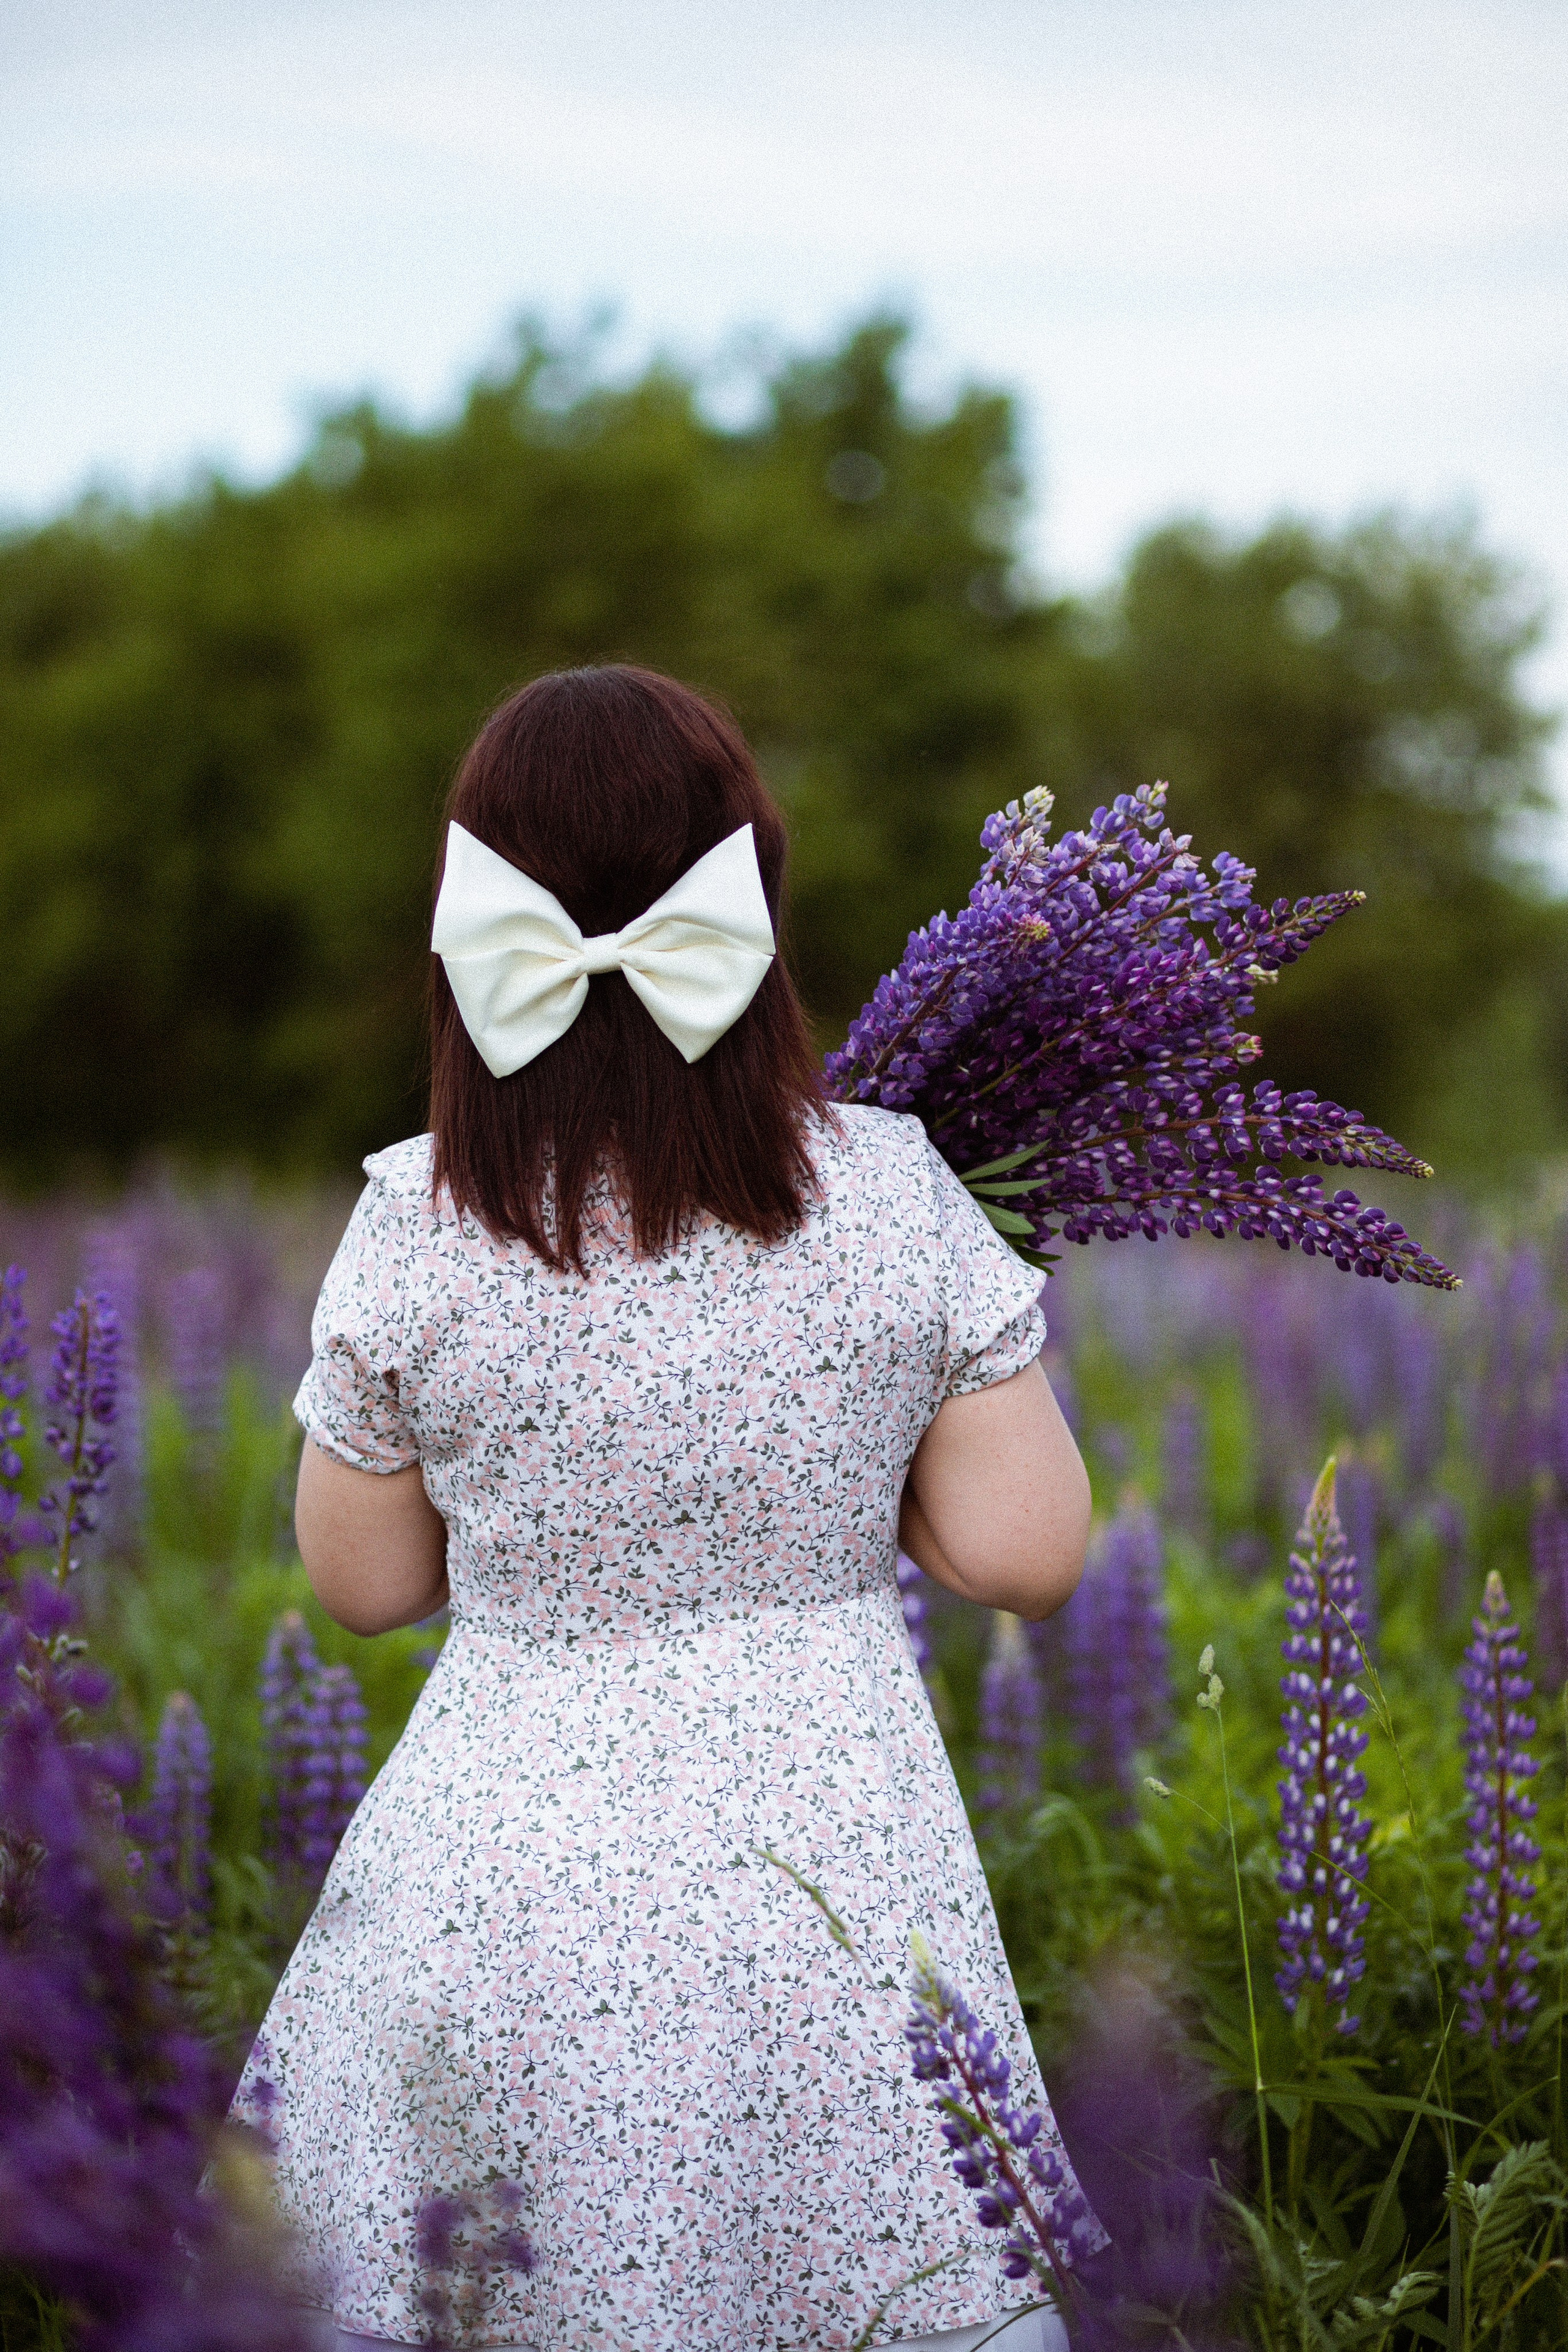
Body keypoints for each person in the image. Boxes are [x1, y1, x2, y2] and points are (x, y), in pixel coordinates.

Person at [233, 665, 1096, 2351]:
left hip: (499, 1875)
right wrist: (881, 1481)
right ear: (751, 898)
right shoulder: (893, 1191)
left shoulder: (415, 1219)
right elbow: (1027, 1553)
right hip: (830, 1867)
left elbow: (361, 1583)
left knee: (488, 2285)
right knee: (854, 2274)